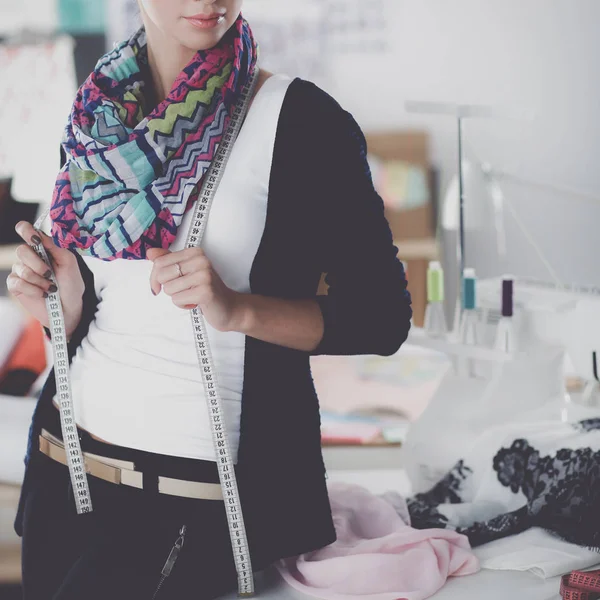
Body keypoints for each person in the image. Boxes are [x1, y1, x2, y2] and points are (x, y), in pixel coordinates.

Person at [7, 1, 413, 598]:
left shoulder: (302, 119)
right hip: (65, 473)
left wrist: (237, 310)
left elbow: (382, 317)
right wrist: (61, 311)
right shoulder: (97, 115)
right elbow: (109, 304)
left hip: (200, 495)